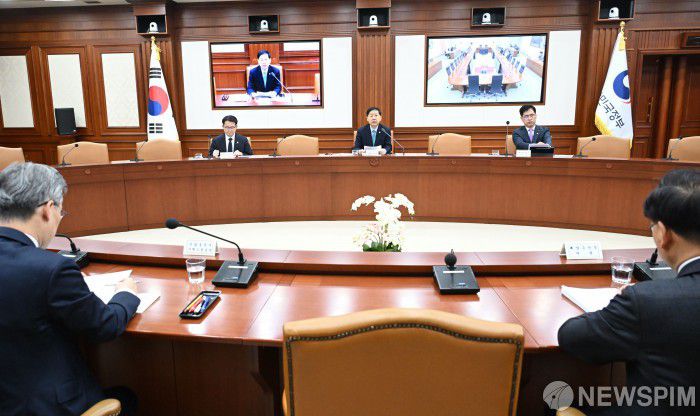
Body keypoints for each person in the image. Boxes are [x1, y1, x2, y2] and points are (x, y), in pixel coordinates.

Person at [0, 162, 141, 415]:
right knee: (127, 397)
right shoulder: (51, 269)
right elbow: (105, 326)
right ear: (47, 209)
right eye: (61, 212)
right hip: (45, 407)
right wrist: (126, 293)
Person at [558, 169, 700, 415]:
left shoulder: (647, 301)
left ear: (663, 234)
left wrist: (622, 305)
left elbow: (571, 337)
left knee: (554, 401)